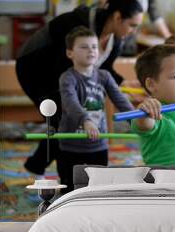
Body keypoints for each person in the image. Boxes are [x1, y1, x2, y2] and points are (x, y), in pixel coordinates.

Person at [16, 0, 143, 176]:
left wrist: (122, 84)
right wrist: (83, 116)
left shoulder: (116, 41)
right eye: (132, 25)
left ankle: (36, 164)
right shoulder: (78, 26)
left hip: (65, 72)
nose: (133, 32)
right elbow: (64, 70)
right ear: (117, 17)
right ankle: (59, 172)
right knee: (62, 117)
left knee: (64, 118)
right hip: (35, 67)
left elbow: (102, 70)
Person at [57, 26, 134, 193]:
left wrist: (136, 119)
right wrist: (86, 120)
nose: (91, 50)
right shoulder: (68, 78)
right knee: (69, 188)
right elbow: (70, 102)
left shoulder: (104, 76)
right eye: (84, 47)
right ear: (70, 53)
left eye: (94, 46)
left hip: (98, 145)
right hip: (71, 145)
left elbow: (120, 100)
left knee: (98, 187)